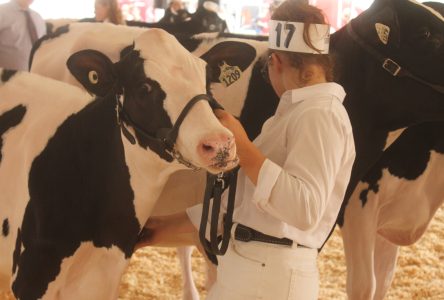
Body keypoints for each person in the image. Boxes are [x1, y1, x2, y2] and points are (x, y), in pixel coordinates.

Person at [137, 0, 355, 299]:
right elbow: (239, 209)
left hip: (272, 276)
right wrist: (153, 230)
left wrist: (243, 146)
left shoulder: (320, 114)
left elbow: (305, 210)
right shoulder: (295, 114)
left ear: (275, 62)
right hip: (255, 269)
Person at [0, 0, 46, 71]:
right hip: (6, 79)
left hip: (35, 76)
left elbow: (43, 46)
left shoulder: (37, 17)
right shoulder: (1, 12)